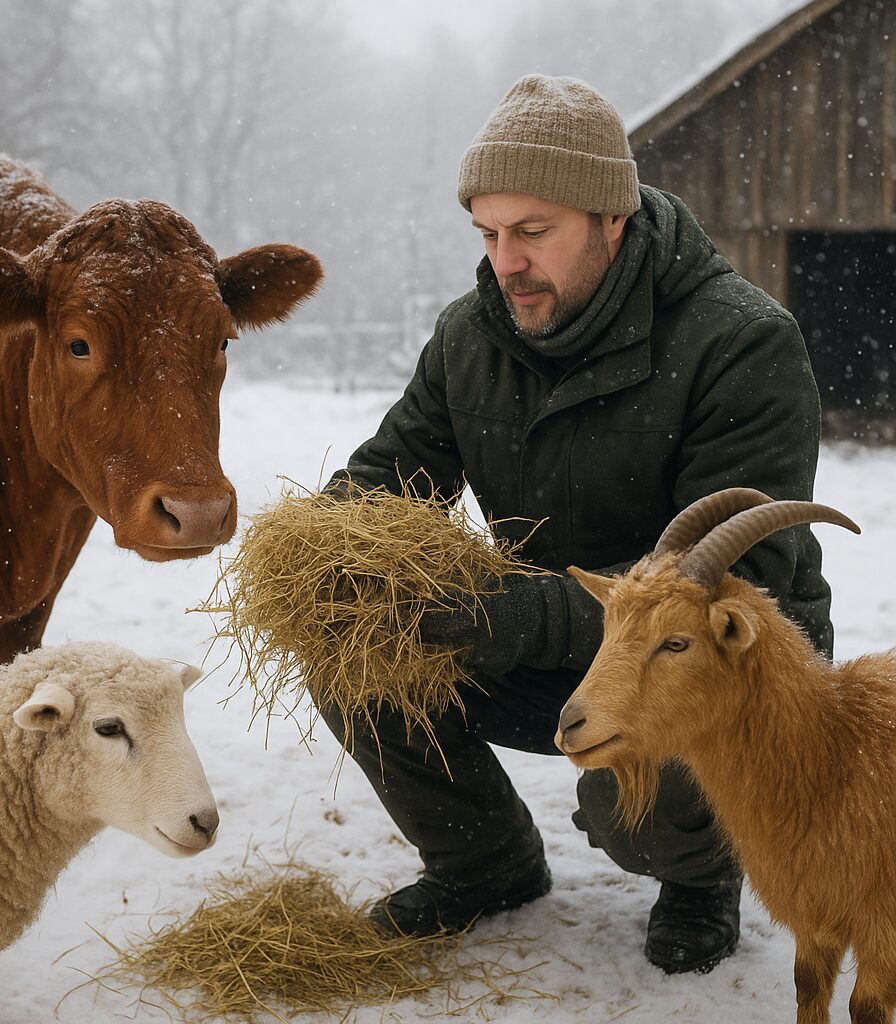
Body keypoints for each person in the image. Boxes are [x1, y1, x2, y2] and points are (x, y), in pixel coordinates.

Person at [319, 74, 832, 975]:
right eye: (488, 232)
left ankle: (702, 874)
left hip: (703, 657)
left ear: (612, 219)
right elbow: (389, 478)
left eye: (533, 232)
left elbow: (740, 587)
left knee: (642, 789)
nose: (505, 261)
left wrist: (510, 613)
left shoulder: (741, 342)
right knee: (352, 645)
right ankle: (485, 863)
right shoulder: (468, 338)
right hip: (541, 637)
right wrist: (323, 543)